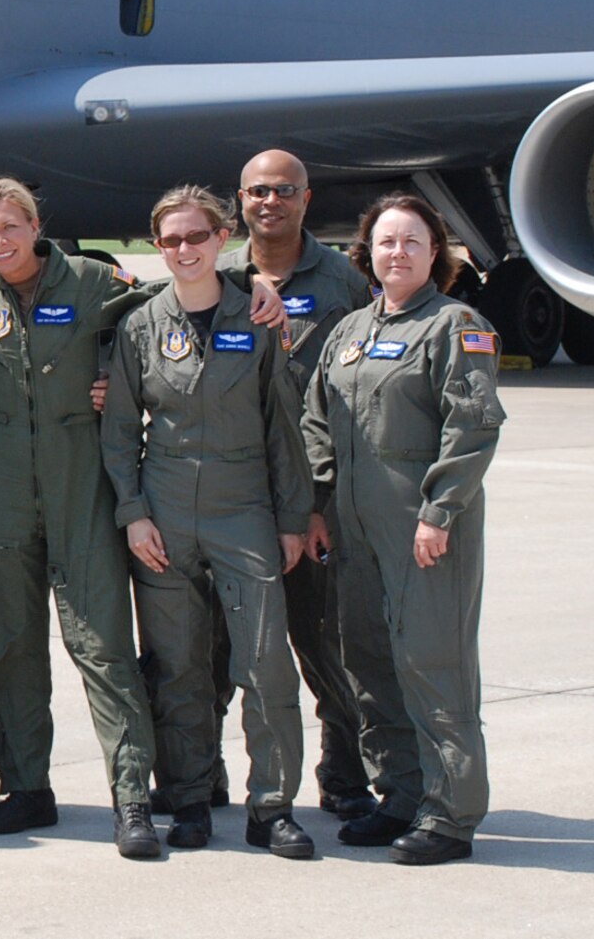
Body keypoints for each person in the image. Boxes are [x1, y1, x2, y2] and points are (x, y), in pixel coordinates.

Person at [0, 177, 162, 855]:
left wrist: (119, 377)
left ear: (35, 224)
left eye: (11, 227)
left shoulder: (95, 280)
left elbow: (168, 306)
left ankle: (131, 797)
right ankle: (27, 787)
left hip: (79, 475)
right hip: (2, 478)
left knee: (101, 643)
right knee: (8, 644)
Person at [101, 185, 316, 859]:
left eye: (197, 237)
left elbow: (285, 428)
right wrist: (133, 515)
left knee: (265, 664)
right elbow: (118, 434)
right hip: (164, 517)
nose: (185, 250)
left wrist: (291, 517)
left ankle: (272, 805)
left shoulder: (256, 317)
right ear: (156, 246)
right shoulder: (141, 325)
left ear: (222, 237)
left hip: (243, 509)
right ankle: (189, 799)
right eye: (171, 240)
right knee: (178, 668)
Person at [302, 193, 503, 866]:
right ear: (367, 252)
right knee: (369, 661)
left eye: (412, 241)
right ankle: (400, 794)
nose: (397, 252)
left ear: (434, 251)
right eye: (385, 241)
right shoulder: (350, 329)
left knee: (432, 662)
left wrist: (439, 511)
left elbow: (472, 425)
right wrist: (317, 504)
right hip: (355, 529)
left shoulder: (456, 324)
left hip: (422, 526)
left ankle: (451, 813)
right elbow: (317, 421)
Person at [193, 150, 379, 820]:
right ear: (239, 199)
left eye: (285, 190)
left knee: (320, 636)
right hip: (233, 492)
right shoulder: (217, 274)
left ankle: (345, 770)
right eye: (257, 191)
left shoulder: (344, 283)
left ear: (306, 196)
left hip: (314, 493)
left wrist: (324, 502)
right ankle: (203, 768)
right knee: (216, 641)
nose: (270, 201)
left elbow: (357, 393)